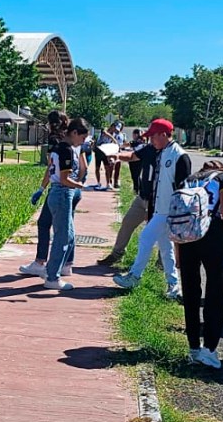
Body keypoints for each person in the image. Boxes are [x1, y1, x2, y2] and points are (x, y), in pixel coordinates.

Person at [112, 118, 191, 299]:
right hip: (159, 209)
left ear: (163, 135)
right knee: (166, 248)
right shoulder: (161, 152)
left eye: (153, 136)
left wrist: (178, 216)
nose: (151, 140)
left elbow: (184, 189)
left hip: (169, 211)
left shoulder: (180, 156)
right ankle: (173, 285)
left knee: (146, 237)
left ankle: (135, 276)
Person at [177, 161, 223, 369]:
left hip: (187, 236)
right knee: (215, 291)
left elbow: (178, 212)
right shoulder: (222, 178)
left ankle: (193, 347)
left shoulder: (188, 180)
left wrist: (178, 251)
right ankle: (210, 349)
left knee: (191, 292)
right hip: (212, 233)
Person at [20, 111, 81, 279]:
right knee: (69, 227)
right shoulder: (75, 140)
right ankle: (68, 263)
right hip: (73, 188)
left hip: (61, 188)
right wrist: (77, 183)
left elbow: (51, 166)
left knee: (46, 224)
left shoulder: (56, 141)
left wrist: (42, 188)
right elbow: (82, 165)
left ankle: (42, 264)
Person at [42, 117, 90, 291]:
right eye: (82, 138)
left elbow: (49, 170)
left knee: (67, 236)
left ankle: (55, 269)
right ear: (75, 133)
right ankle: (52, 276)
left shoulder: (58, 146)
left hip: (57, 193)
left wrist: (42, 188)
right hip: (62, 193)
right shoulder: (67, 150)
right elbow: (65, 179)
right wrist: (81, 185)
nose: (83, 142)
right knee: (62, 237)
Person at [98, 131, 158, 267]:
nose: (150, 139)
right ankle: (117, 254)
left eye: (153, 135)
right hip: (142, 197)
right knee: (127, 223)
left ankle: (161, 264)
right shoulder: (149, 149)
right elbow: (133, 156)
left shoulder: (171, 154)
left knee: (160, 233)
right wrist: (117, 156)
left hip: (158, 200)